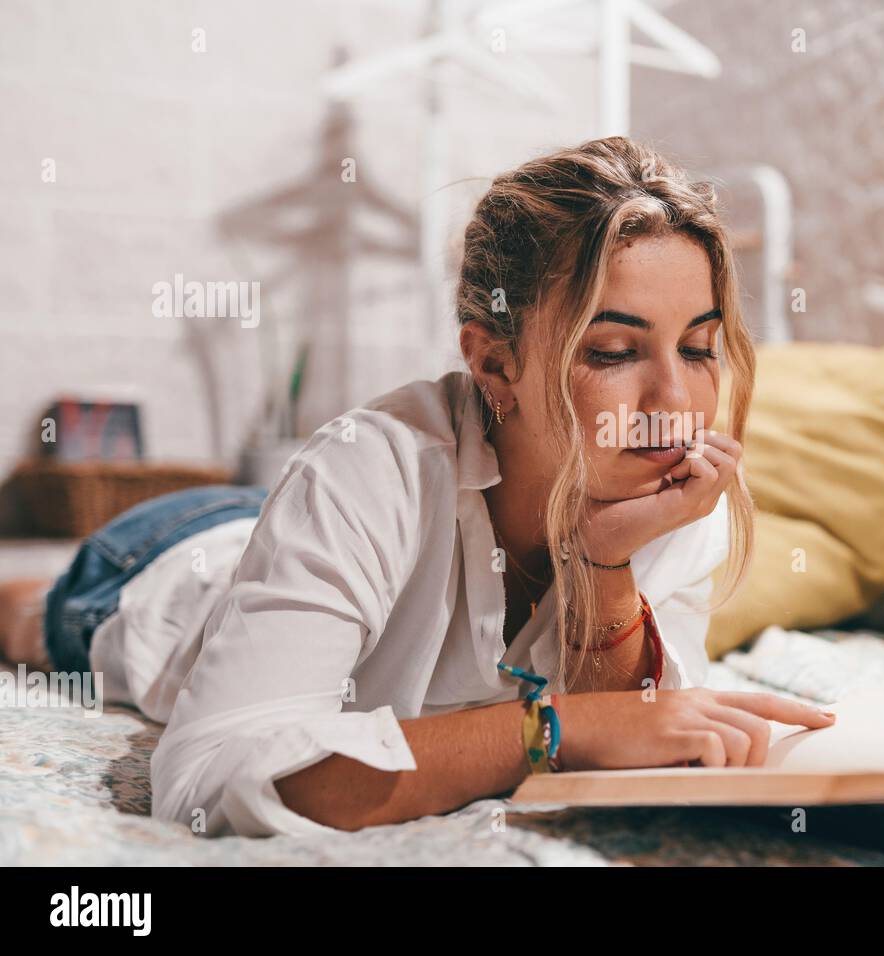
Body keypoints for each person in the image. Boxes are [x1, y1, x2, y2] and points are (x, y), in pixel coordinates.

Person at [0, 136, 836, 838]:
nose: (675, 402)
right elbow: (204, 787)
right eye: (613, 351)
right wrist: (548, 730)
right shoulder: (371, 466)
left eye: (697, 348)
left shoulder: (674, 499)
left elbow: (626, 730)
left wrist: (602, 562)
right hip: (163, 561)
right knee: (37, 618)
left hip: (309, 535)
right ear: (493, 363)